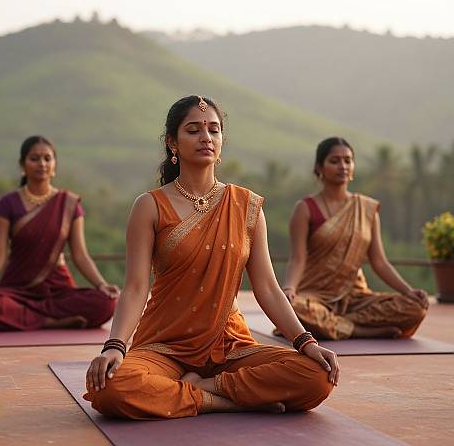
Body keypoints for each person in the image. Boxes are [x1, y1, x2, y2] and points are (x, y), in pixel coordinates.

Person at [84, 96, 338, 420]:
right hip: (165, 344)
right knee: (112, 388)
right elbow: (135, 288)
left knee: (316, 376)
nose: (206, 137)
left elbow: (269, 289)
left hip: (229, 346)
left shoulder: (246, 206)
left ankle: (206, 386)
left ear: (222, 141)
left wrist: (307, 343)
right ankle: (220, 400)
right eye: (193, 130)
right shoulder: (149, 206)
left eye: (214, 130)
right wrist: (115, 347)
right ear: (172, 143)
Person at [275, 137, 428, 341]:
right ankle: (359, 330)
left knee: (415, 308)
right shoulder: (305, 209)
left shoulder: (366, 208)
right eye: (335, 160)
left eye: (348, 160)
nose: (343, 166)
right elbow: (297, 258)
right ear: (319, 167)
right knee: (292, 307)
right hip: (315, 296)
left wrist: (409, 291)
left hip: (355, 297)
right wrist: (290, 289)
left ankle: (334, 324)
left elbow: (380, 262)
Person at [0, 135, 118, 331]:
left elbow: (80, 255)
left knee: (105, 303)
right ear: (22, 164)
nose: (42, 164)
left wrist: (101, 285)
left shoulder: (68, 203)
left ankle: (28, 319)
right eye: (34, 158)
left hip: (58, 291)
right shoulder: (7, 204)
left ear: (55, 164)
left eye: (47, 158)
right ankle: (51, 322)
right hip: (17, 289)